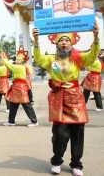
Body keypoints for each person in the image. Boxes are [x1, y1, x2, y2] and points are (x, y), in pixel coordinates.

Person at [32, 23, 100, 176]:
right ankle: (57, 160)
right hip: (58, 98)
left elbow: (92, 56)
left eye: (67, 40)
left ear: (71, 43)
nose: (64, 42)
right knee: (59, 133)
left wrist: (96, 37)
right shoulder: (51, 60)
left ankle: (76, 164)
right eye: (61, 40)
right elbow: (38, 58)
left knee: (77, 132)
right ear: (56, 43)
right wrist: (36, 40)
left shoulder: (78, 58)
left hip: (75, 97)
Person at [0, 46, 38, 127]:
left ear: (22, 61)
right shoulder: (20, 66)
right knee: (13, 105)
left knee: (26, 105)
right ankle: (11, 121)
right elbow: (10, 65)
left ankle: (34, 121)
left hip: (21, 88)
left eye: (18, 59)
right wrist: (5, 59)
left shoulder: (20, 67)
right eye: (16, 59)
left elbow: (9, 66)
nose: (16, 60)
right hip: (16, 87)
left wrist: (4, 59)